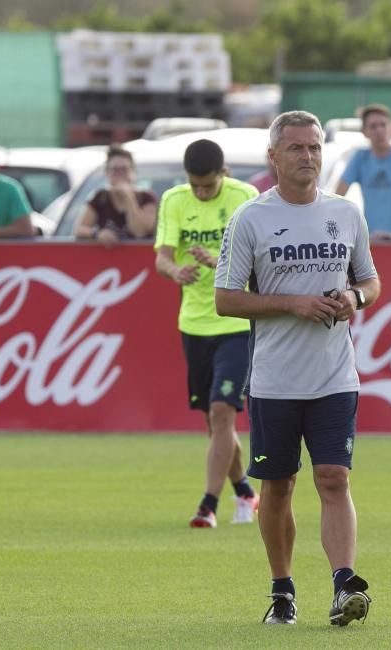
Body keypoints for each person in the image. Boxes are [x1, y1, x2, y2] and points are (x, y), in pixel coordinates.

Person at [215, 110, 381, 626]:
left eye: (314, 147)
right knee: (279, 488)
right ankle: (283, 592)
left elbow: (373, 283)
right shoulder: (251, 218)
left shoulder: (346, 213)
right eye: (296, 149)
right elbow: (225, 300)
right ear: (273, 157)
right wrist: (293, 303)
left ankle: (342, 587)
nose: (307, 156)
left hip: (335, 375)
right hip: (275, 380)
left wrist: (354, 296)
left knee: (333, 479)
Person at [154, 139, 260, 529]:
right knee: (215, 421)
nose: (200, 192)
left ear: (223, 174)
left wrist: (221, 263)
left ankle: (208, 505)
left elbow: (259, 262)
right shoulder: (173, 200)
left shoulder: (245, 197)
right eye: (195, 186)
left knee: (221, 412)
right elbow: (162, 256)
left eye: (208, 186)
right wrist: (175, 271)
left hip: (234, 319)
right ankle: (246, 491)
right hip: (194, 323)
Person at [334, 104, 391, 242]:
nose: (379, 130)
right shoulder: (360, 157)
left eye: (383, 124)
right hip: (374, 244)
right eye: (373, 126)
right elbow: (337, 198)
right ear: (364, 131)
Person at [73, 145, 157, 245]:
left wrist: (128, 197)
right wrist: (97, 234)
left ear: (133, 172)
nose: (120, 174)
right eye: (115, 170)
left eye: (124, 169)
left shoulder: (147, 198)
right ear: (107, 173)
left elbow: (139, 232)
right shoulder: (100, 198)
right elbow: (79, 229)